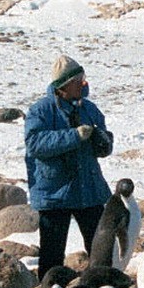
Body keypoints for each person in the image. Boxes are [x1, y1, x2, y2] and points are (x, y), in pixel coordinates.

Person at [25, 55, 113, 273]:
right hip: (55, 194)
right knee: (52, 258)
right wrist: (74, 136)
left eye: (83, 78)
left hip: (88, 191)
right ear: (62, 85)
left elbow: (106, 146)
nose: (83, 83)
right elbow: (34, 143)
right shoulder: (41, 110)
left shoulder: (89, 108)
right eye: (77, 80)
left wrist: (103, 140)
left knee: (100, 252)